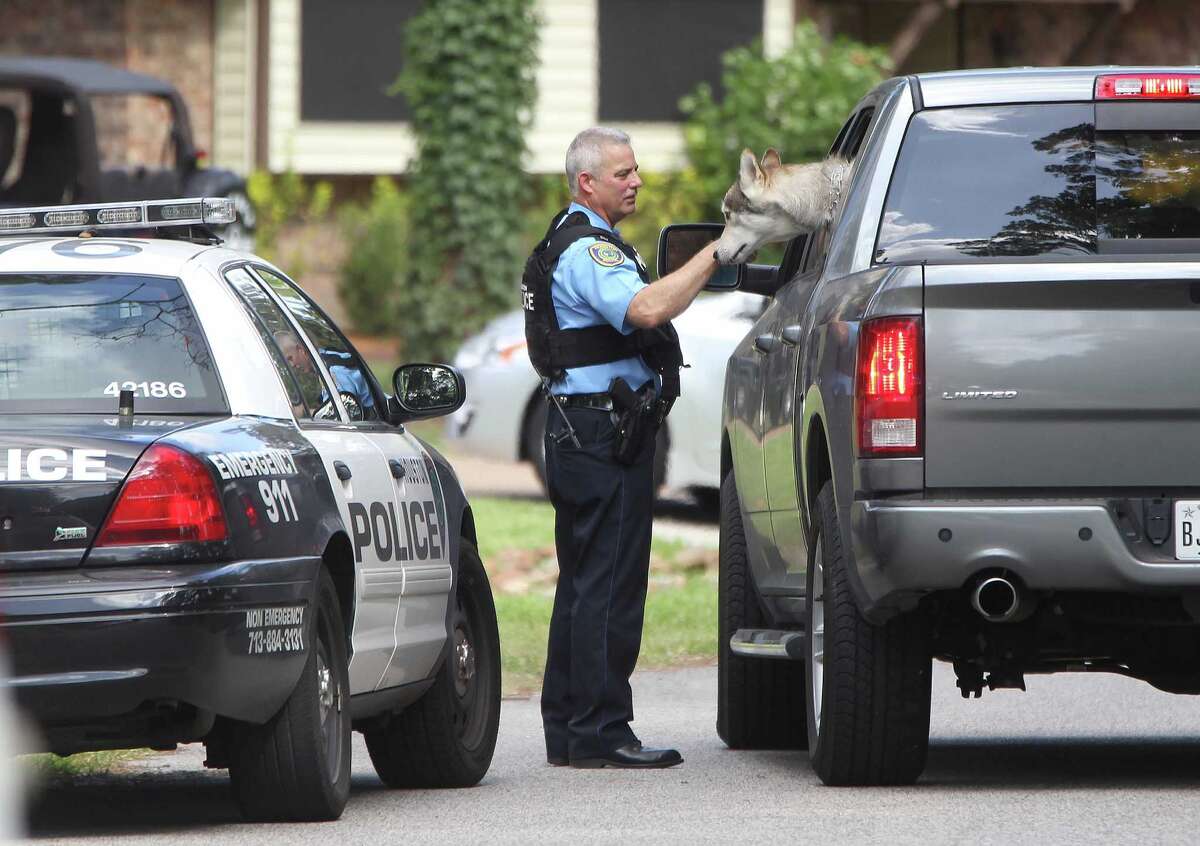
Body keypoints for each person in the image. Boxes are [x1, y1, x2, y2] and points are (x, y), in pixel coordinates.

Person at [525, 126, 719, 769]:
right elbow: (645, 310)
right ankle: (601, 732)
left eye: (635, 171)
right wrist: (716, 254)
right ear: (587, 182)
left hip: (584, 430)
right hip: (601, 434)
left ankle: (571, 729)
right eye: (622, 174)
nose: (635, 181)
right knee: (609, 585)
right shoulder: (588, 251)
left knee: (584, 583)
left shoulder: (571, 238)